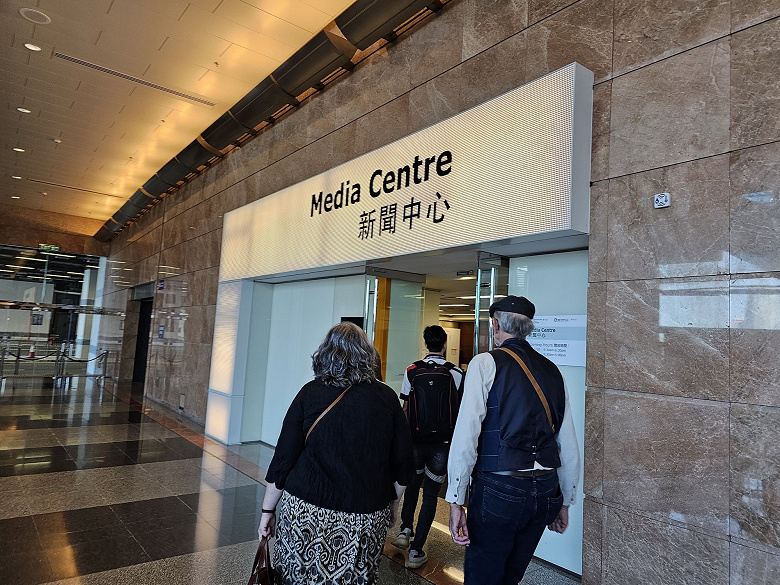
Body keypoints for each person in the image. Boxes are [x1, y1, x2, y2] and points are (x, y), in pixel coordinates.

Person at [258, 321, 414, 585]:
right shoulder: (387, 398)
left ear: (325, 353)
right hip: (365, 513)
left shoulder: (310, 393)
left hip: (305, 510)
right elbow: (404, 464)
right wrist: (393, 503)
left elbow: (283, 459)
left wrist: (267, 510)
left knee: (298, 576)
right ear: (368, 356)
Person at [446, 296, 580, 585]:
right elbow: (567, 443)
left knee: (483, 577)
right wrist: (565, 501)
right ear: (528, 328)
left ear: (496, 325)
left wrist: (456, 500)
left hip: (499, 489)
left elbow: (466, 436)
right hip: (545, 491)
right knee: (512, 577)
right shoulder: (553, 371)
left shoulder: (485, 363)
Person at [393, 325, 464, 569]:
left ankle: (405, 530)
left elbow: (405, 407)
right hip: (441, 445)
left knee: (413, 485)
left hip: (415, 440)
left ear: (425, 344)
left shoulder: (412, 370)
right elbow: (460, 410)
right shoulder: (455, 373)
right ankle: (417, 550)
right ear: (444, 345)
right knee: (431, 494)